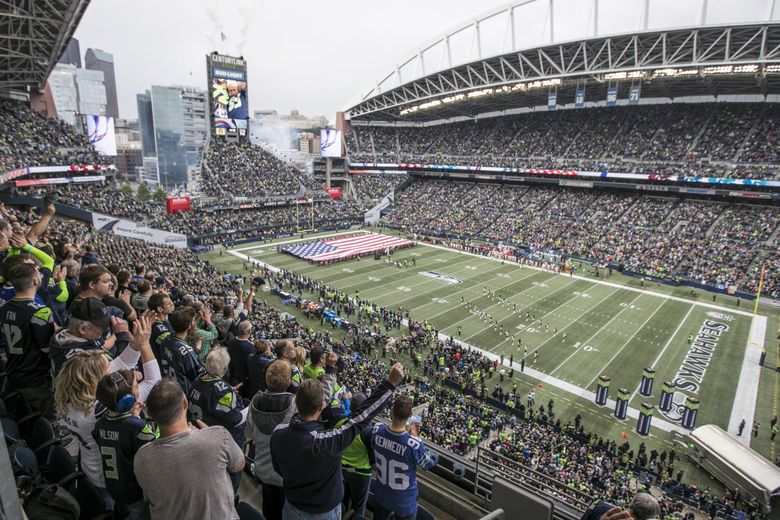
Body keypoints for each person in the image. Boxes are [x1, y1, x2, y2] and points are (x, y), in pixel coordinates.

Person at [270, 362, 405, 520]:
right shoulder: (325, 442)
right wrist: (389, 384)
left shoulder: (278, 433)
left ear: (297, 402)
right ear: (321, 407)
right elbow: (362, 417)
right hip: (324, 514)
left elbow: (279, 468)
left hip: (291, 508)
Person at [54, 314, 157, 508]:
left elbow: (119, 364)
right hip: (110, 475)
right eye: (107, 370)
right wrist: (144, 345)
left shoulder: (68, 397)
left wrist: (136, 342)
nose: (112, 370)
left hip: (89, 465)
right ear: (94, 380)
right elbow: (152, 382)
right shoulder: (102, 408)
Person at [134, 379, 245, 520]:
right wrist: (208, 433)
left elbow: (149, 496)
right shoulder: (218, 436)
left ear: (150, 415)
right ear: (185, 403)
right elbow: (239, 465)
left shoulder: (142, 458)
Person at [93, 366, 159, 520]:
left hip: (114, 487)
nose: (138, 390)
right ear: (127, 401)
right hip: (134, 491)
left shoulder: (100, 424)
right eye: (136, 387)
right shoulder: (137, 428)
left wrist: (134, 416)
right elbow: (156, 448)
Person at [0, 262, 57, 418]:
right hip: (34, 378)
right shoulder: (40, 312)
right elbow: (47, 349)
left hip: (13, 369)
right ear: (35, 281)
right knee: (50, 418)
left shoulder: (5, 307)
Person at [369, 395, 437, 520]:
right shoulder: (414, 444)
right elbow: (428, 464)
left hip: (381, 495)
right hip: (405, 502)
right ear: (410, 414)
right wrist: (415, 437)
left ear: (391, 411)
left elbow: (379, 443)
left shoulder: (377, 429)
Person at [188, 347, 248, 490]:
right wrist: (250, 408)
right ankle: (232, 494)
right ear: (225, 368)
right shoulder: (220, 391)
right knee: (234, 468)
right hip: (222, 439)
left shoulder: (199, 379)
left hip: (203, 433)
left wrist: (228, 390)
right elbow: (236, 419)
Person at [249, 359, 296, 520]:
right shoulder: (293, 404)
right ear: (289, 381)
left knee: (269, 509)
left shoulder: (255, 401)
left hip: (262, 468)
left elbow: (249, 429)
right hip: (285, 474)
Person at [49, 297, 133, 375]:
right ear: (83, 329)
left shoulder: (76, 336)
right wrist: (122, 335)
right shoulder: (80, 359)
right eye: (100, 328)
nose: (104, 329)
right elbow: (121, 375)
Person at [159, 307, 205, 396]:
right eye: (193, 321)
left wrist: (195, 350)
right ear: (189, 326)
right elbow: (199, 375)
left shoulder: (165, 339)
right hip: (182, 394)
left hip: (168, 387)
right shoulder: (186, 351)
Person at [227, 319, 254, 398]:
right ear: (249, 331)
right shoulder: (250, 347)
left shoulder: (231, 341)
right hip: (243, 379)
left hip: (232, 374)